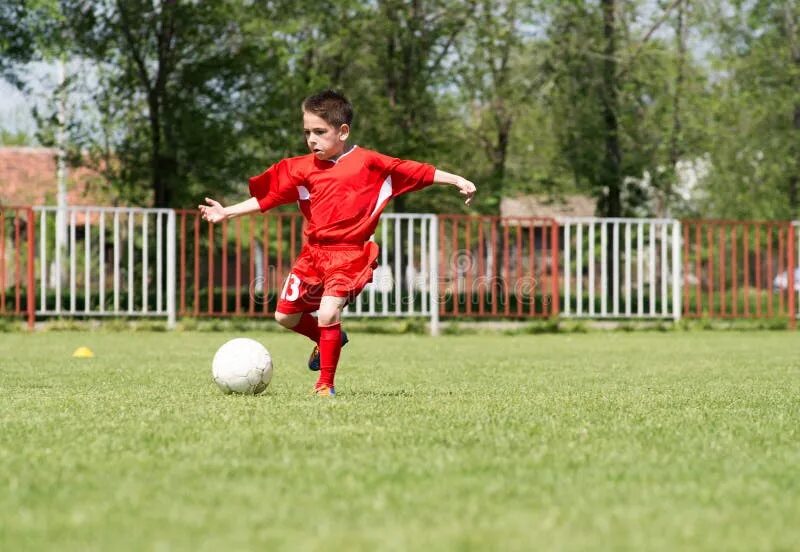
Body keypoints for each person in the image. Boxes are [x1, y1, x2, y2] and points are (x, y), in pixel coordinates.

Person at [199, 90, 476, 396]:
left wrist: (457, 180)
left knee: (330, 312)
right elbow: (269, 198)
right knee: (284, 316)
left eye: (320, 132)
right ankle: (326, 337)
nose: (311, 140)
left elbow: (416, 170)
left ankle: (324, 385)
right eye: (307, 132)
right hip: (313, 255)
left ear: (343, 131)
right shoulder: (302, 169)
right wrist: (227, 212)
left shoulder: (368, 163)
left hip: (350, 255)